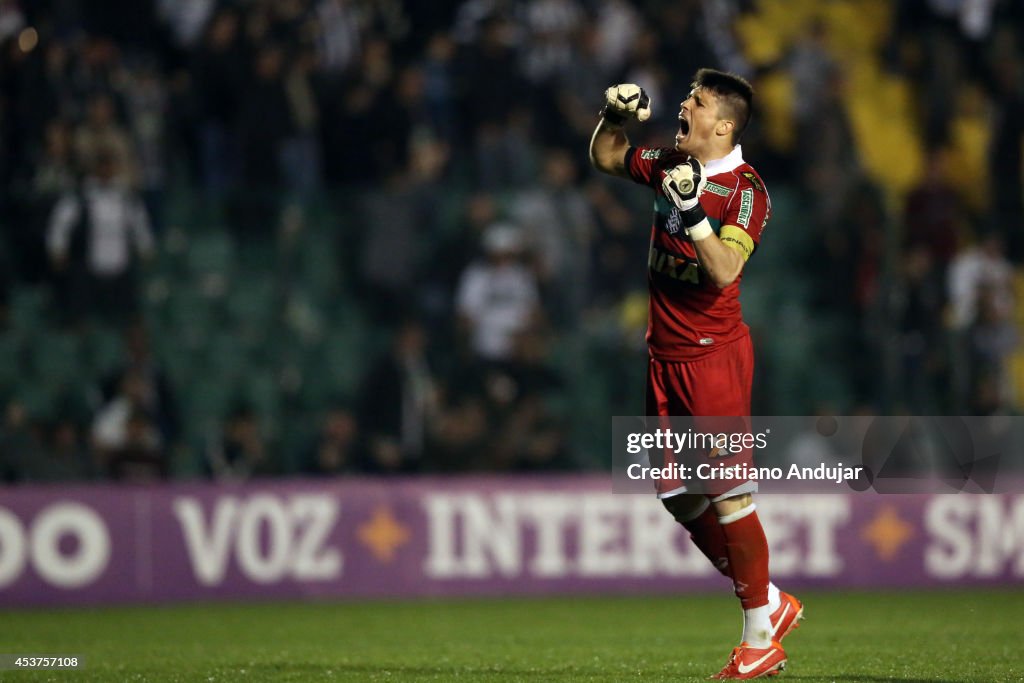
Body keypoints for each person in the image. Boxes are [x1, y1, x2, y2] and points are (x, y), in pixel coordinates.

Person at [589, 70, 801, 679]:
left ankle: (760, 637)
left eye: (697, 102)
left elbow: (725, 271)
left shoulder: (746, 192)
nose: (684, 105)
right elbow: (607, 155)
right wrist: (615, 118)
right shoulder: (667, 162)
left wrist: (691, 211)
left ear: (724, 124)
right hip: (663, 354)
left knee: (729, 496)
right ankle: (771, 600)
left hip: (712, 357)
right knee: (676, 493)